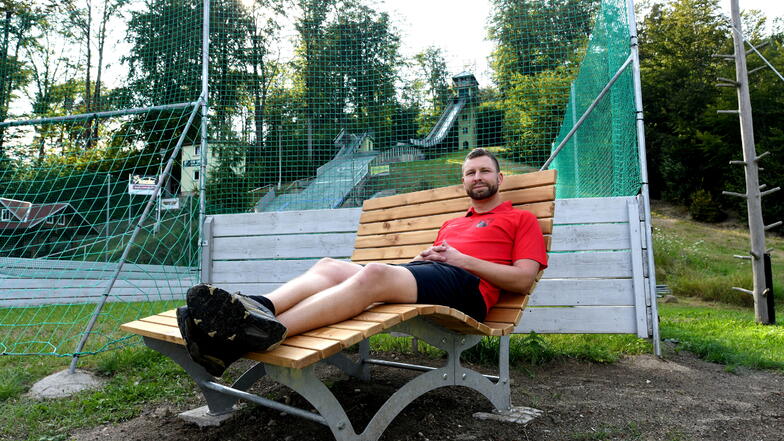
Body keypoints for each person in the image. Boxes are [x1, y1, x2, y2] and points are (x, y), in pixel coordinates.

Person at [176, 148, 548, 376]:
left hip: (470, 293)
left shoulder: (521, 219)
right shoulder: (452, 223)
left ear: (500, 177)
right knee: (328, 266)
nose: (477, 177)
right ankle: (258, 309)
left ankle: (264, 331)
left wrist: (461, 259)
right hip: (438, 275)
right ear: (463, 181)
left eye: (484, 171)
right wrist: (421, 258)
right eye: (470, 172)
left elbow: (522, 279)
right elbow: (429, 270)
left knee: (373, 274)